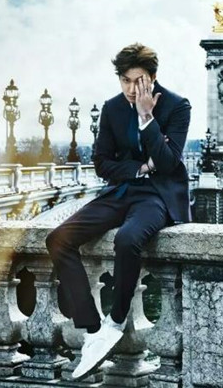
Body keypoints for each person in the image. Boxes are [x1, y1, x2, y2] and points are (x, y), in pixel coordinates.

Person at [45, 42, 191, 380]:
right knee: (58, 239)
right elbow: (101, 163)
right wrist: (141, 168)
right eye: (125, 80)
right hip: (122, 190)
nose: (131, 89)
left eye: (138, 81)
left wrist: (147, 118)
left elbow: (169, 163)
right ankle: (92, 327)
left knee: (127, 239)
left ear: (153, 77)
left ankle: (116, 320)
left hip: (157, 197)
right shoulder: (112, 108)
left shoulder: (177, 106)